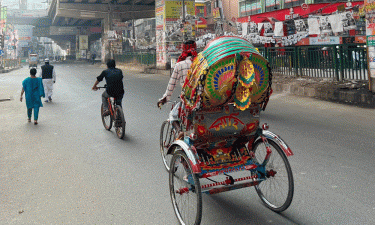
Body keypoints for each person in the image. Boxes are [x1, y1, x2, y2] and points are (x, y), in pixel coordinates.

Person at [157, 40, 197, 139]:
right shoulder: (201, 63)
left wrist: (164, 99)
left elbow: (171, 85)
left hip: (188, 101)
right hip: (203, 100)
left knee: (173, 116)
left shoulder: (180, 65)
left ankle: (179, 132)